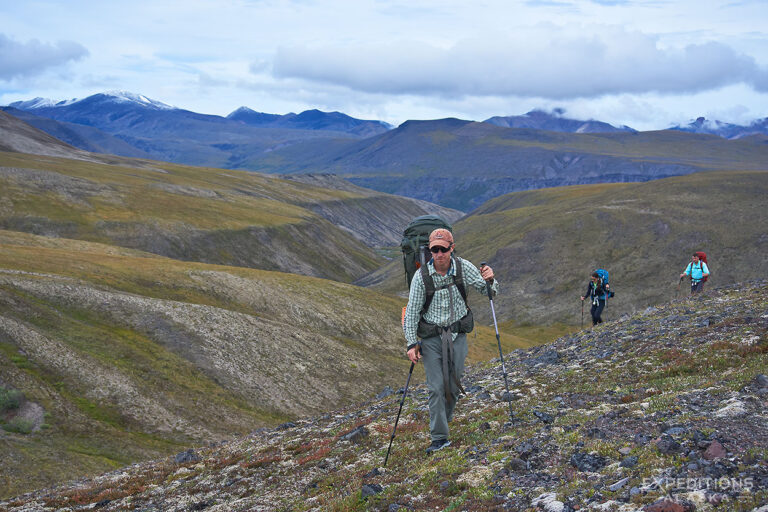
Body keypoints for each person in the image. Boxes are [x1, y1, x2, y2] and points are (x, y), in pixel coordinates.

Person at [403, 228, 498, 454]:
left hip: (457, 335)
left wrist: (490, 280)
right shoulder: (421, 276)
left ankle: (443, 420)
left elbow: (488, 292)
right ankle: (439, 438)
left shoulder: (464, 268)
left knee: (453, 388)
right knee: (436, 388)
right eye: (434, 250)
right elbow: (413, 312)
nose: (438, 254)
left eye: (443, 249)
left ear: (451, 249)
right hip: (432, 339)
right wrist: (410, 343)